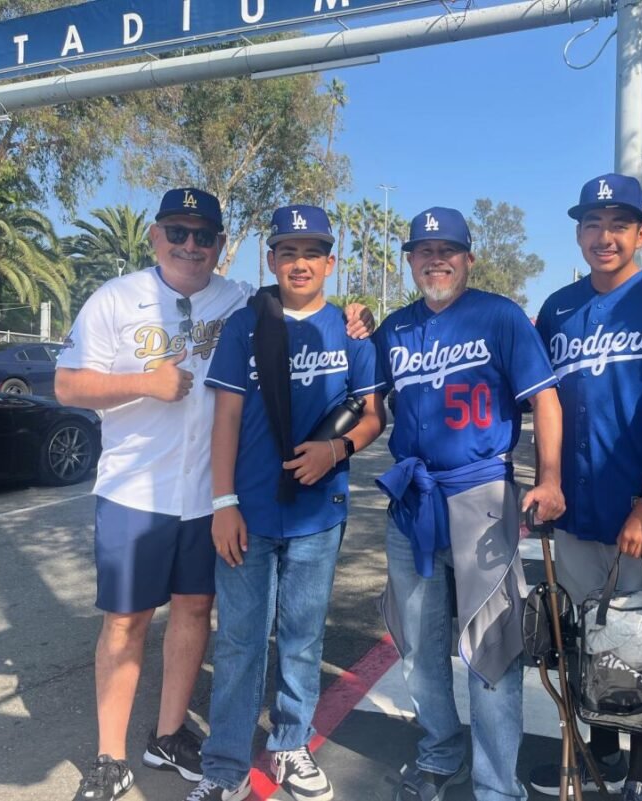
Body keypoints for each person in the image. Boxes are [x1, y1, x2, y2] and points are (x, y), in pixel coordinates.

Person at [56, 189, 372, 801]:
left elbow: (302, 307)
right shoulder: (115, 298)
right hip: (134, 490)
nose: (191, 246)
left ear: (221, 245)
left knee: (196, 614)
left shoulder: (237, 301)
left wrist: (358, 319)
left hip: (206, 496)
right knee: (125, 622)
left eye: (204, 236)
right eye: (178, 232)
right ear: (155, 236)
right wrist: (143, 382)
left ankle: (169, 734)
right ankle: (108, 757)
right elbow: (68, 385)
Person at [182, 204, 386, 801]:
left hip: (318, 514)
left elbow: (373, 416)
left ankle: (291, 746)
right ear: (271, 260)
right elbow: (225, 417)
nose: (300, 263)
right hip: (246, 513)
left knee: (302, 638)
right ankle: (225, 769)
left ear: (330, 262)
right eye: (288, 252)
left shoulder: (352, 332)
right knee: (241, 642)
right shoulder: (245, 326)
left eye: (311, 252)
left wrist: (337, 448)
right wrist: (222, 501)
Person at [375, 207, 565, 801]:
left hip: (481, 494)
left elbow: (546, 401)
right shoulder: (393, 328)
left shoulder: (499, 316)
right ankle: (439, 750)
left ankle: (496, 783)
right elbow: (365, 403)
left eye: (448, 250)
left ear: (468, 258)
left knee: (491, 650)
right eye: (424, 251)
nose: (436, 260)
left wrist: (549, 477)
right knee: (417, 647)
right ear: (409, 261)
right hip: (413, 499)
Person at [528, 174, 642, 801]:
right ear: (578, 233)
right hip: (573, 507)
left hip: (635, 511)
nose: (604, 236)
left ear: (641, 234)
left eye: (618, 224)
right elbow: (535, 396)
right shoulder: (558, 307)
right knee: (581, 639)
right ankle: (601, 758)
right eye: (593, 224)